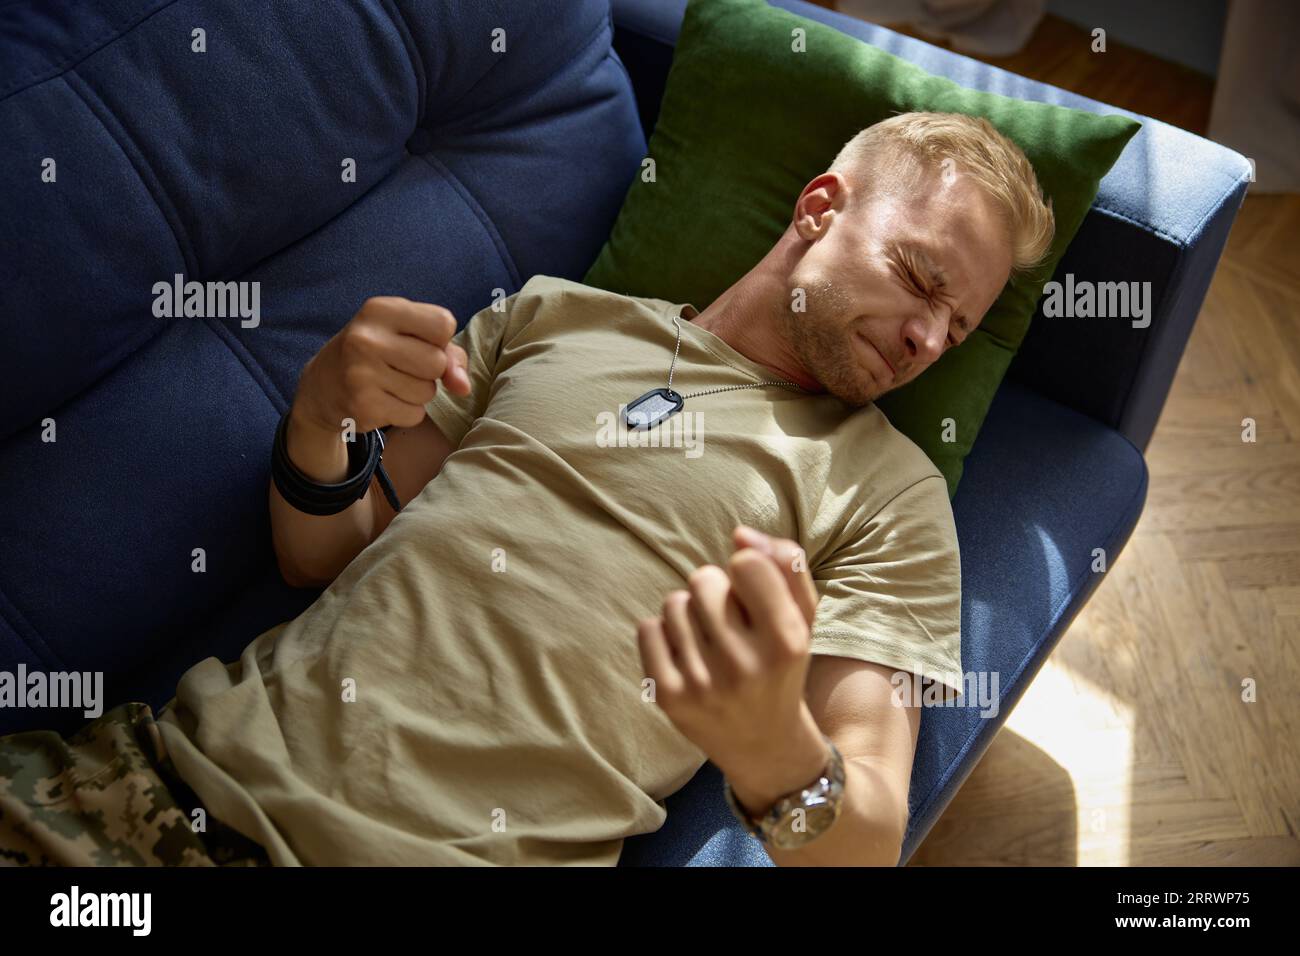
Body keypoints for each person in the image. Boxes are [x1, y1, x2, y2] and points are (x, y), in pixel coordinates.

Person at [0, 112, 1053, 867]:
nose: (925, 338)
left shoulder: (892, 495)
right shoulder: (554, 317)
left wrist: (777, 752)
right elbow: (323, 555)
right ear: (820, 208)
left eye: (954, 328)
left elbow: (863, 839)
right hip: (142, 791)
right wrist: (322, 421)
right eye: (920, 280)